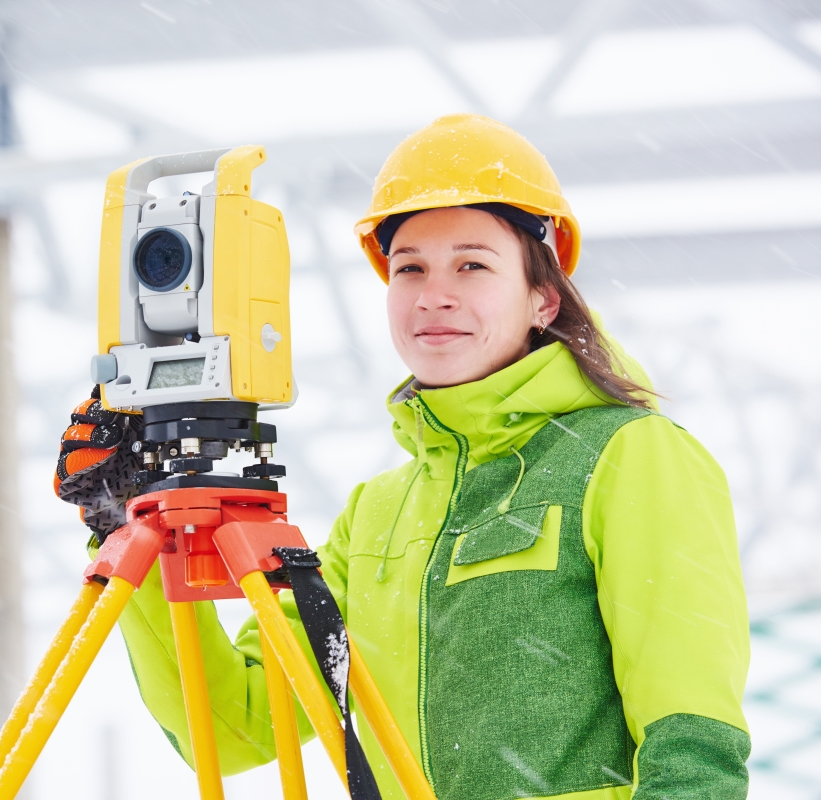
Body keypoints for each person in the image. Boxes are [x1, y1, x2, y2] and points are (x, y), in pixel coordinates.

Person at [55, 114, 751, 799]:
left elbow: (693, 747)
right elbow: (235, 726)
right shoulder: (378, 515)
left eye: (472, 265)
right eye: (409, 268)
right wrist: (121, 522)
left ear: (544, 296)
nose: (434, 296)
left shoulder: (631, 457)